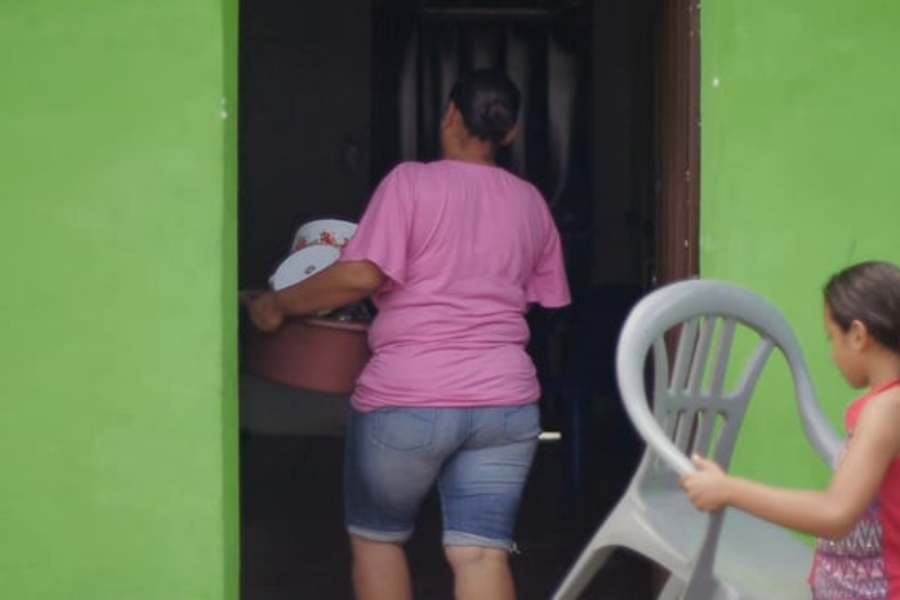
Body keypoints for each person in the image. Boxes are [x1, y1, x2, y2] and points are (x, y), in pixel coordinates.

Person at [244, 69, 570, 600]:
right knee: (481, 554)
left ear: (449, 116)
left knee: (378, 542)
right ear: (510, 131)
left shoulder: (410, 183)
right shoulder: (530, 202)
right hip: (505, 404)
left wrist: (277, 304)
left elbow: (361, 274)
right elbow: (545, 298)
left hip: (408, 399)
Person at [680, 261, 900, 598]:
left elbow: (836, 513)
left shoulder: (886, 410)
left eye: (832, 338)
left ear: (858, 335)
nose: (832, 355)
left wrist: (728, 489)